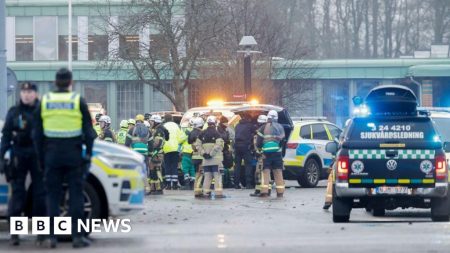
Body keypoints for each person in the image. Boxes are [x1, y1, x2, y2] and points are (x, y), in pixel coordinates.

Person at [34, 68, 96, 248]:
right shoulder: (77, 101)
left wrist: (41, 158)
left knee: (52, 196)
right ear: (70, 82)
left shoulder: (45, 101)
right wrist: (88, 155)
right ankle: (77, 237)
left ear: (55, 81)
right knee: (76, 196)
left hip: (51, 155)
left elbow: (37, 134)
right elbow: (89, 133)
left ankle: (51, 237)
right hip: (73, 155)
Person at [0, 82, 46, 246]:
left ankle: (41, 234)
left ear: (35, 94)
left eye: (30, 91)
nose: (27, 94)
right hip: (18, 155)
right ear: (20, 94)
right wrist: (1, 158)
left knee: (40, 196)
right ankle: (15, 234)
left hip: (38, 156)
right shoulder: (14, 112)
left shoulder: (43, 111)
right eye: (24, 91)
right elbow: (5, 136)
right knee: (18, 196)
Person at [256, 110, 286, 198]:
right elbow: (283, 140)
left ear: (268, 117)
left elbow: (258, 142)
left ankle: (264, 192)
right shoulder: (280, 127)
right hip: (277, 153)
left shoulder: (263, 127)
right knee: (278, 172)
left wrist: (260, 150)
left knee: (266, 172)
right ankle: (280, 192)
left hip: (266, 153)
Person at [195, 116, 225, 198]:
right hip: (216, 160)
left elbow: (197, 145)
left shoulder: (202, 133)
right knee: (217, 176)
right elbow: (218, 145)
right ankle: (218, 193)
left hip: (206, 161)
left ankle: (206, 193)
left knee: (207, 176)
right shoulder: (217, 133)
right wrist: (211, 154)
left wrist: (204, 154)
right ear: (215, 123)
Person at [126, 114, 151, 192]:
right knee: (144, 169)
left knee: (135, 169)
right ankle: (145, 187)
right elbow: (151, 143)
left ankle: (136, 187)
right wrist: (150, 154)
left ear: (136, 121)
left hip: (135, 153)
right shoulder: (147, 130)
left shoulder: (132, 129)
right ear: (143, 121)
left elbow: (127, 143)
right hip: (145, 153)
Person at [234, 112, 257, 189]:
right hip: (246, 147)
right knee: (248, 165)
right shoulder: (250, 126)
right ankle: (248, 184)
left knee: (237, 166)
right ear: (249, 119)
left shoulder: (237, 125)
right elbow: (257, 133)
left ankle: (236, 184)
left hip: (237, 147)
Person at [148, 114, 169, 195]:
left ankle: (159, 187)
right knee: (152, 170)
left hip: (157, 153)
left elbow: (157, 143)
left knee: (156, 170)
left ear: (156, 122)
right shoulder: (156, 129)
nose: (150, 123)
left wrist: (150, 146)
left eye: (152, 121)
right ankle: (154, 188)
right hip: (155, 153)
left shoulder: (159, 131)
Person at [162, 114, 184, 190]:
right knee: (174, 166)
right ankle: (175, 184)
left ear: (165, 119)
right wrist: (178, 144)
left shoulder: (163, 126)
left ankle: (168, 184)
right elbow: (182, 137)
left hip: (166, 148)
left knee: (167, 165)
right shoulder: (177, 126)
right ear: (172, 119)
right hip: (175, 148)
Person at [250, 114, 269, 197]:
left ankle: (263, 191)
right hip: (262, 154)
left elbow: (259, 143)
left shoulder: (262, 131)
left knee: (260, 173)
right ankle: (260, 190)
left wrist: (258, 152)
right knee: (261, 173)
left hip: (262, 155)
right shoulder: (266, 130)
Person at [189, 117, 205, 198]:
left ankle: (196, 189)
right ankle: (198, 191)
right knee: (201, 174)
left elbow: (192, 145)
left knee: (196, 174)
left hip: (194, 157)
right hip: (201, 158)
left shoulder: (191, 133)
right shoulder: (202, 133)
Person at [217, 116, 235, 188]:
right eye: (226, 122)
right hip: (221, 151)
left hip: (226, 150)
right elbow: (222, 138)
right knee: (223, 167)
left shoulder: (225, 130)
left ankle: (227, 181)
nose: (227, 124)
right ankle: (224, 182)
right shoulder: (219, 130)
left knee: (227, 166)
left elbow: (231, 137)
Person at [180, 119, 195, 190]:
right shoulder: (196, 131)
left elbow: (179, 141)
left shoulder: (185, 131)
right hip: (194, 152)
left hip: (186, 152)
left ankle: (187, 184)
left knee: (185, 168)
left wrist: (186, 135)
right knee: (192, 168)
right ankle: (193, 184)